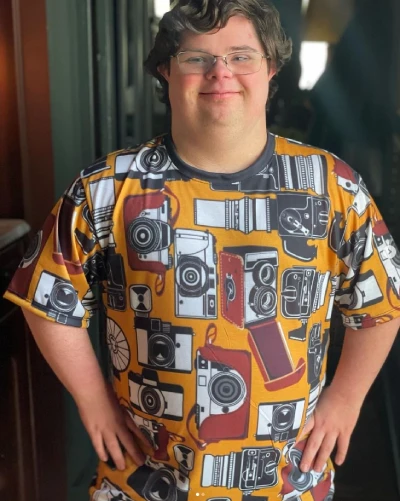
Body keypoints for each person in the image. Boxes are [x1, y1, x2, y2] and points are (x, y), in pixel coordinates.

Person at [4, 1, 400, 499]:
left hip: (286, 482)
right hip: (144, 479)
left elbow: (382, 302)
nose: (220, 72)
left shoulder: (331, 187)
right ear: (165, 70)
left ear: (271, 69)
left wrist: (346, 398)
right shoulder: (106, 188)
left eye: (241, 56)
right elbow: (46, 299)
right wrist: (92, 399)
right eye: (196, 57)